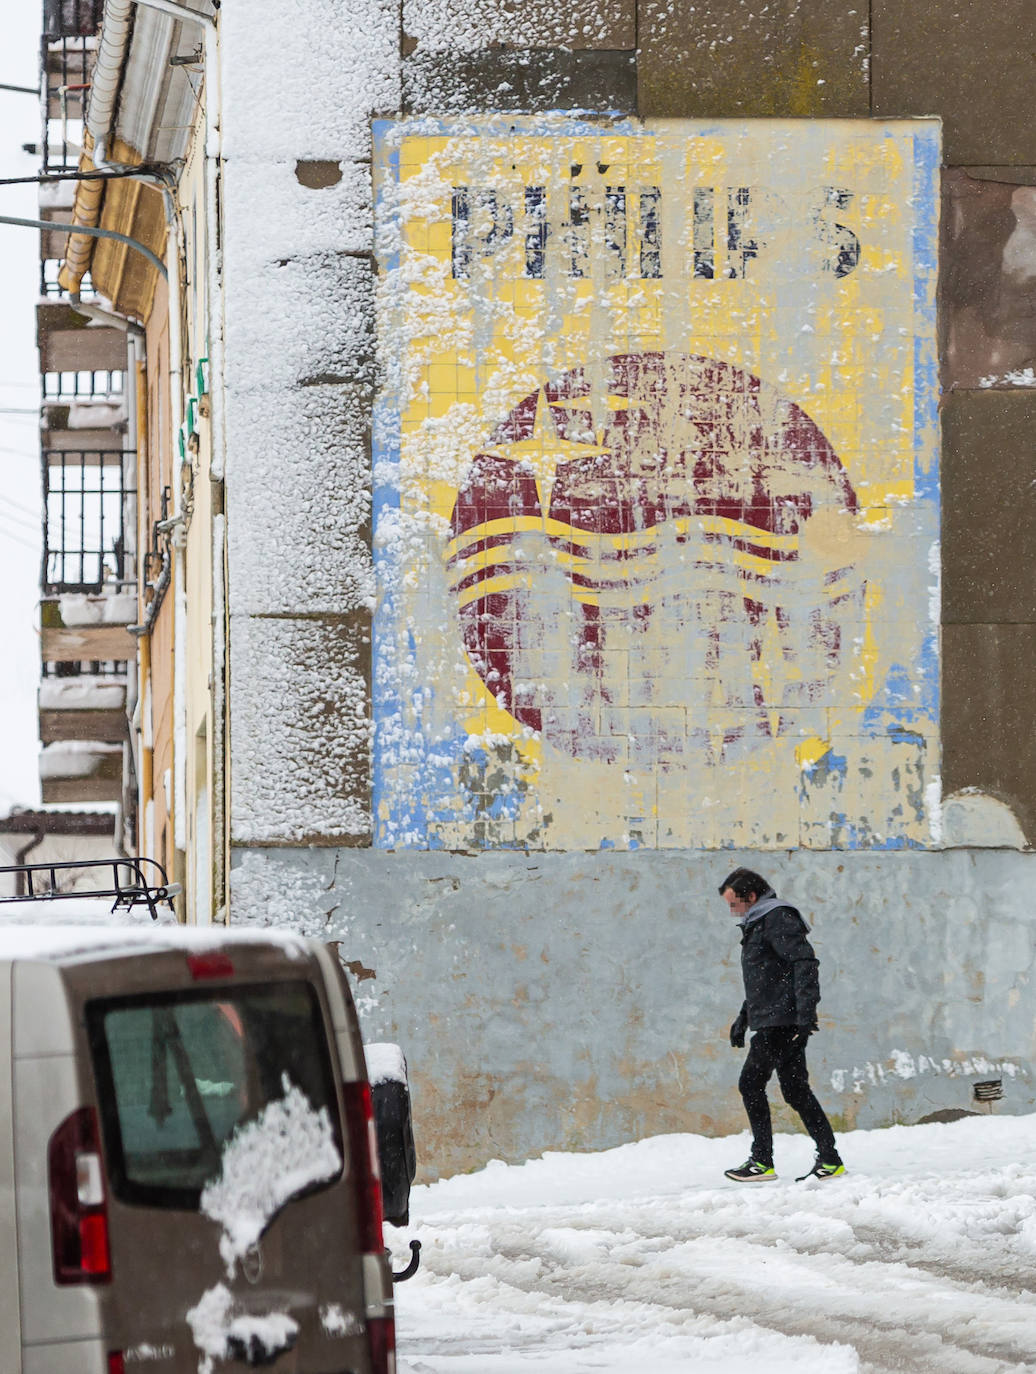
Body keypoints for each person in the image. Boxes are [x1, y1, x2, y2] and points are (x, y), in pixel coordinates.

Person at [719, 867, 845, 1183]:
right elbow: (767, 979)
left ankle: (762, 1161)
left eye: (735, 903)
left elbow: (804, 963)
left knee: (751, 1083)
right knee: (794, 1089)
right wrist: (744, 1017)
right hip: (774, 1019)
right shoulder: (758, 922)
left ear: (751, 896)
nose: (732, 910)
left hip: (783, 1022)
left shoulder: (777, 918)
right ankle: (830, 1160)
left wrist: (805, 1017)